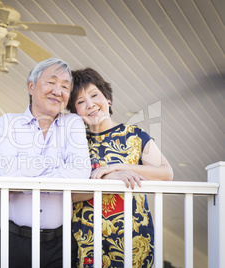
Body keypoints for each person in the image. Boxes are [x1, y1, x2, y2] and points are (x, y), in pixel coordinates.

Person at [67, 67, 173, 268]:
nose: (90, 105)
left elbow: (166, 174)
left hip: (134, 239)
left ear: (108, 99)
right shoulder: (73, 142)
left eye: (94, 95)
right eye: (80, 102)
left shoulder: (135, 134)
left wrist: (118, 167)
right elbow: (69, 194)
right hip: (87, 240)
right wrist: (108, 181)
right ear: (75, 113)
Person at [0, 58, 92, 268]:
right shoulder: (8, 123)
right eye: (51, 82)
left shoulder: (72, 123)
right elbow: (8, 176)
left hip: (60, 243)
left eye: (65, 86)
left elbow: (80, 173)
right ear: (31, 86)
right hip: (15, 241)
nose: (58, 90)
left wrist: (25, 176)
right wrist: (58, 170)